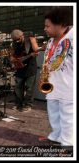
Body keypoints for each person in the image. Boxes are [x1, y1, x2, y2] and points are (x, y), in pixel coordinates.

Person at [39, 7, 73, 146]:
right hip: (53, 85)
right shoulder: (51, 41)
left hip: (68, 86)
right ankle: (56, 136)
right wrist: (43, 76)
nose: (45, 29)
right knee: (53, 113)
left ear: (62, 25)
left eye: (48, 26)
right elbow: (48, 60)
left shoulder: (73, 39)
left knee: (68, 118)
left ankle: (68, 144)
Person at [9, 29, 40, 112]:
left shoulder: (30, 39)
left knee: (29, 88)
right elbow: (11, 55)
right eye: (15, 40)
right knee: (18, 87)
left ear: (22, 36)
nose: (17, 41)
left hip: (30, 67)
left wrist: (33, 43)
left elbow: (37, 51)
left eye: (18, 39)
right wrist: (12, 59)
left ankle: (27, 104)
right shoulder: (14, 43)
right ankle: (18, 103)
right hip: (19, 67)